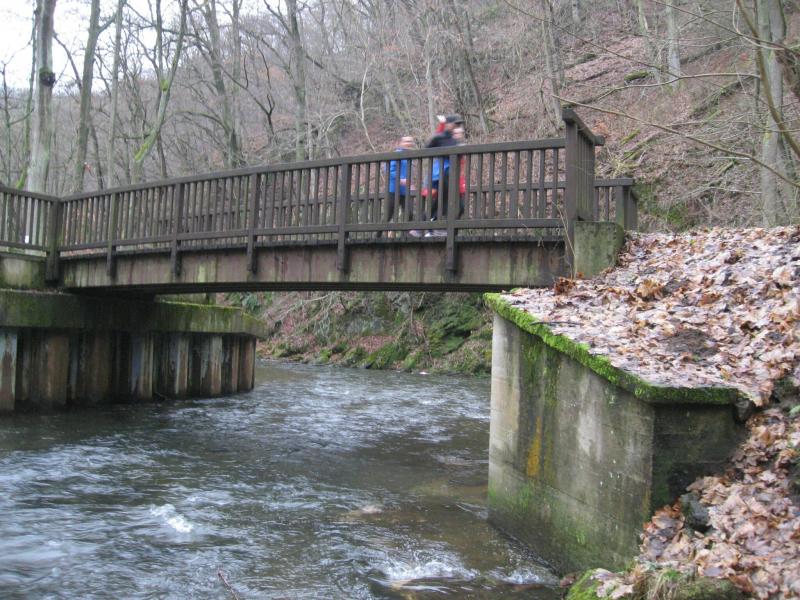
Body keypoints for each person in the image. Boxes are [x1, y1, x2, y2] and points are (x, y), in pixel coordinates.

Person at [424, 115, 465, 236]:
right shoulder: (441, 137)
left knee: (453, 204)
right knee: (443, 202)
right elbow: (428, 146)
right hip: (441, 175)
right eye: (455, 124)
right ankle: (432, 228)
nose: (457, 127)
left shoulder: (455, 141)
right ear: (449, 124)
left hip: (453, 177)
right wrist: (441, 125)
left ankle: (444, 230)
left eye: (458, 125)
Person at [387, 136, 414, 229]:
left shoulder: (410, 156)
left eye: (410, 141)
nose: (409, 143)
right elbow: (390, 169)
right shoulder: (397, 154)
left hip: (405, 190)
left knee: (409, 213)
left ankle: (405, 235)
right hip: (394, 189)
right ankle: (378, 234)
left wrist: (411, 184)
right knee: (389, 214)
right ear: (401, 143)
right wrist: (400, 179)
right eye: (406, 141)